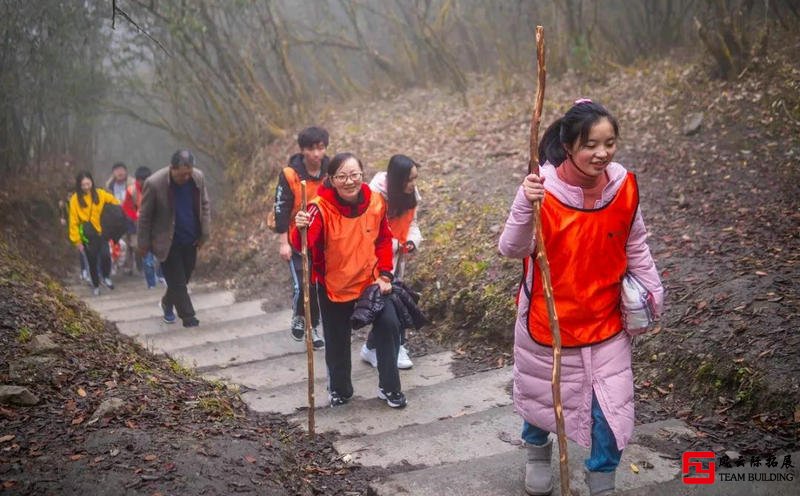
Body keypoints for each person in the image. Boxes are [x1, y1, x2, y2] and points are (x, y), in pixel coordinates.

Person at [498, 99, 664, 496]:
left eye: (609, 142)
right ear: (569, 145)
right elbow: (511, 247)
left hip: (606, 319)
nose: (602, 153)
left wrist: (651, 290)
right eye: (591, 144)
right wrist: (526, 201)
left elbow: (634, 242)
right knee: (542, 394)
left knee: (610, 409)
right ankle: (537, 451)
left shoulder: (623, 187)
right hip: (548, 317)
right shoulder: (541, 189)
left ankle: (601, 478)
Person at [293, 152, 406, 409]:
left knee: (389, 324)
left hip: (371, 283)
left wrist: (386, 274)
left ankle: (390, 387)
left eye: (354, 175)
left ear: (362, 175)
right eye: (341, 176)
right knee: (336, 341)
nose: (349, 181)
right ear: (331, 180)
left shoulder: (376, 201)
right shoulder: (319, 207)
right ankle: (340, 389)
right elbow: (305, 244)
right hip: (334, 286)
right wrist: (299, 226)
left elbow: (384, 240)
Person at [361, 154, 423, 370]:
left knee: (393, 301)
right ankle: (392, 346)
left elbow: (412, 223)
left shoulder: (410, 193)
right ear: (397, 180)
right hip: (376, 259)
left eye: (415, 178)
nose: (413, 184)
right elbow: (368, 232)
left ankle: (375, 347)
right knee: (387, 303)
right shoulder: (375, 195)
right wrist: (396, 244)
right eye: (409, 180)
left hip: (398, 257)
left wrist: (413, 241)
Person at [138, 150, 211, 328]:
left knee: (182, 279)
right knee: (178, 282)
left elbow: (205, 204)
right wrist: (143, 243)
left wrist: (205, 232)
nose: (186, 177)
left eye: (189, 173)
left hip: (190, 238)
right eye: (182, 174)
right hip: (166, 242)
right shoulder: (154, 183)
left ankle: (167, 303)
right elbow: (145, 216)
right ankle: (188, 317)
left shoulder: (197, 177)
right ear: (172, 168)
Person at [274, 126, 329, 349]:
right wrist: (283, 242)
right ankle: (302, 319)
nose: (317, 154)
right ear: (302, 150)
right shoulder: (290, 174)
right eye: (311, 149)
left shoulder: (331, 170)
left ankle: (312, 326)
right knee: (303, 285)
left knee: (317, 286)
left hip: (323, 241)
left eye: (321, 148)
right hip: (298, 239)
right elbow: (281, 208)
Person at [68, 171, 120, 296]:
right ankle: (95, 285)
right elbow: (73, 221)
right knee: (92, 261)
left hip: (101, 232)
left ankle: (106, 276)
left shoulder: (100, 194)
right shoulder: (75, 200)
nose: (86, 187)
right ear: (79, 185)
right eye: (83, 185)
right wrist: (77, 240)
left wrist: (113, 215)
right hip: (87, 235)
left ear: (92, 182)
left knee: (106, 256)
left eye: (88, 183)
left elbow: (115, 202)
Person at [122, 166, 163, 288]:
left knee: (162, 254)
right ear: (137, 180)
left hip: (156, 226)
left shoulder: (158, 188)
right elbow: (127, 208)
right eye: (141, 180)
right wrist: (136, 217)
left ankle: (161, 276)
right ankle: (151, 283)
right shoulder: (131, 190)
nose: (144, 183)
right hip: (138, 226)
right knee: (145, 254)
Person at [105, 162, 136, 275]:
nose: (120, 172)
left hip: (131, 217)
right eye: (117, 170)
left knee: (133, 243)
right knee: (121, 242)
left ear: (126, 171)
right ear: (113, 173)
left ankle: (133, 266)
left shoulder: (132, 184)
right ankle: (123, 266)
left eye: (122, 170)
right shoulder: (109, 186)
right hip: (116, 218)